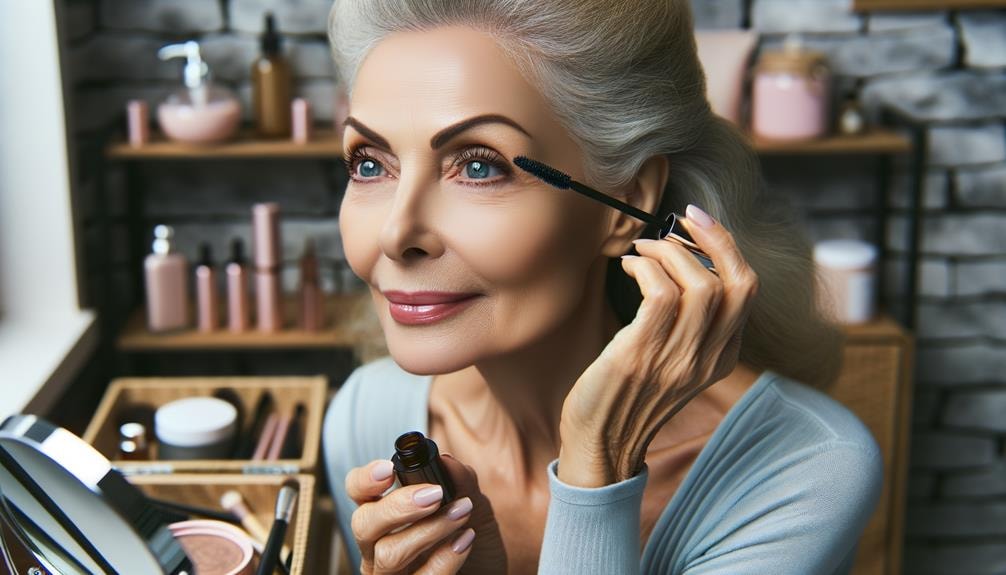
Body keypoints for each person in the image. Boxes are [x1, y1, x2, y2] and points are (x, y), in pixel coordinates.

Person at [322, 1, 882, 573]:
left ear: (627, 203)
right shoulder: (366, 416)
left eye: (480, 166)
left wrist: (599, 469)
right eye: (370, 164)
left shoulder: (806, 472)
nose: (395, 234)